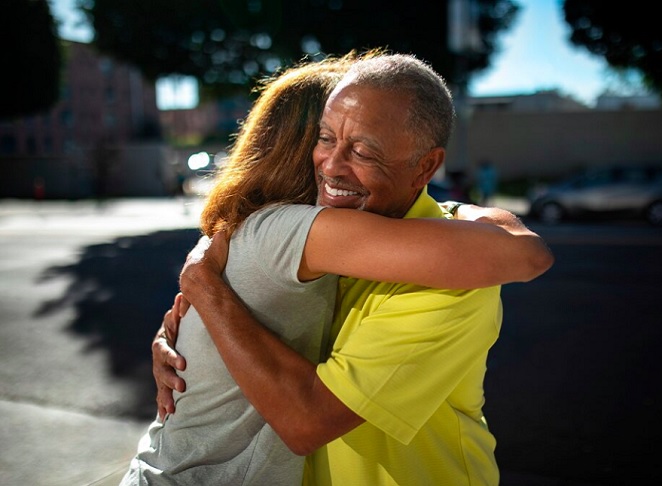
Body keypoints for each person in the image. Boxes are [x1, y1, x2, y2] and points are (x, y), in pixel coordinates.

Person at [153, 53, 554, 486]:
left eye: (362, 150)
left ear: (425, 166)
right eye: (326, 138)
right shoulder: (311, 232)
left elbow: (306, 420)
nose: (331, 165)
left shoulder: (457, 276)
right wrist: (180, 338)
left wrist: (204, 288)